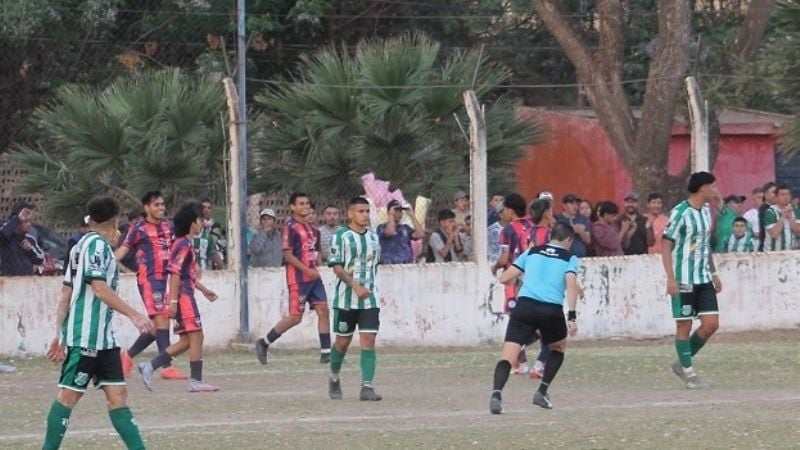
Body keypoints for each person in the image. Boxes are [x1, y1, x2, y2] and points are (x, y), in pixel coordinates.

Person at [42, 195, 153, 450]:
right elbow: (100, 289)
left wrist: (59, 333)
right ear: (113, 223)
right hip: (86, 338)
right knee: (68, 396)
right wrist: (135, 315)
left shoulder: (79, 247)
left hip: (105, 340)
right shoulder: (96, 247)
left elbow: (66, 294)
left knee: (118, 396)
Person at [489, 222, 580, 413]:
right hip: (551, 310)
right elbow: (571, 284)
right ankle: (541, 391)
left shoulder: (532, 252)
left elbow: (504, 278)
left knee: (508, 356)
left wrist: (524, 278)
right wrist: (572, 316)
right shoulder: (569, 258)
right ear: (568, 239)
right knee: (558, 348)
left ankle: (496, 395)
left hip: (525, 307)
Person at [138, 201, 220, 393]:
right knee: (197, 336)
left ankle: (150, 366)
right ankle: (196, 381)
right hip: (183, 298)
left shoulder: (184, 243)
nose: (202, 223)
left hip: (183, 296)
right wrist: (173, 302)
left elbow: (186, 275)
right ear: (192, 223)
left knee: (186, 341)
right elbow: (174, 274)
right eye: (200, 220)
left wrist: (203, 289)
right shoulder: (183, 244)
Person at [116, 191, 187, 381]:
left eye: (162, 204)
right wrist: (106, 263)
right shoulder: (138, 229)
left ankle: (127, 356)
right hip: (149, 279)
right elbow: (122, 250)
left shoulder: (168, 227)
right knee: (163, 319)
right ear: (146, 208)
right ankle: (166, 367)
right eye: (157, 205)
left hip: (166, 279)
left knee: (157, 327)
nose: (161, 208)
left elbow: (178, 249)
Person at [255, 192, 331, 365]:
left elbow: (316, 252)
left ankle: (326, 353)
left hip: (314, 278)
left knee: (323, 310)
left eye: (307, 203)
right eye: (301, 204)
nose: (305, 207)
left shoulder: (313, 230)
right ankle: (264, 342)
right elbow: (288, 255)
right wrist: (307, 270)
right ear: (292, 207)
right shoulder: (290, 227)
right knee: (295, 317)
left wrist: (317, 267)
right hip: (298, 279)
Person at [662, 171, 722, 390]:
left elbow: (704, 246)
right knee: (684, 325)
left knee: (711, 324)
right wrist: (670, 278)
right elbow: (666, 245)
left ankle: (682, 362)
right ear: (703, 188)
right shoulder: (680, 212)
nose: (716, 190)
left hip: (703, 278)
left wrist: (713, 273)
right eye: (713, 187)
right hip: (684, 279)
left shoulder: (705, 211)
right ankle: (689, 373)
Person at [327, 197, 383, 401]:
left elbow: (375, 265)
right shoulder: (340, 236)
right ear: (350, 214)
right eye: (361, 211)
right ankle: (334, 376)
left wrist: (367, 288)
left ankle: (367, 387)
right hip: (346, 300)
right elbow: (337, 267)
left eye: (367, 211)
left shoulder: (374, 238)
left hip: (369, 300)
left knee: (368, 340)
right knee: (342, 343)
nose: (365, 215)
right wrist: (355, 286)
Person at [0, 202, 45, 276]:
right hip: (8, 281)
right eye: (26, 221)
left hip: (26, 281)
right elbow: (2, 235)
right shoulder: (6, 237)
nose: (29, 224)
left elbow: (41, 259)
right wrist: (18, 219)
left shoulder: (30, 239)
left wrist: (30, 250)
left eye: (30, 221)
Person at [377, 200, 424, 264]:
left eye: (400, 211)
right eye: (396, 211)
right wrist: (391, 215)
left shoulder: (405, 228)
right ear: (389, 212)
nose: (399, 214)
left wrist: (412, 215)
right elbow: (390, 232)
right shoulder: (381, 227)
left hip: (406, 264)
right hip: (389, 265)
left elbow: (420, 234)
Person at [762, 183, 800, 251]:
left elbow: (798, 233)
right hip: (773, 253)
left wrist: (791, 218)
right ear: (776, 197)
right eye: (782, 195)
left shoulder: (796, 211)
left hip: (791, 252)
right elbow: (774, 234)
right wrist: (783, 216)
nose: (786, 197)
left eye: (788, 194)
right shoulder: (770, 212)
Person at [195, 199, 224, 270]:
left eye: (209, 208)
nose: (206, 210)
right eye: (204, 207)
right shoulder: (192, 226)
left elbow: (213, 241)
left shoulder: (215, 225)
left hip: (209, 259)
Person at [757, 182, 777, 251]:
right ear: (765, 194)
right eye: (773, 192)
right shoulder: (764, 209)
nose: (775, 195)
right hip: (768, 247)